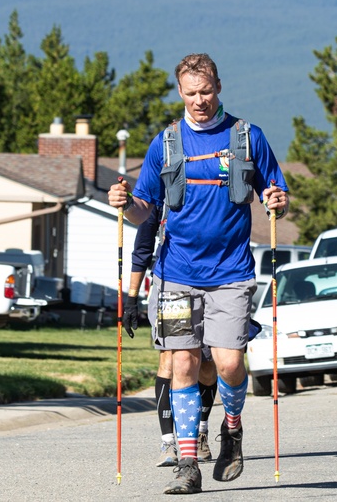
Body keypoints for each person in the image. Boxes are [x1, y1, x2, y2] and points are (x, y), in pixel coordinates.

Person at [109, 53, 289, 495]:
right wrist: (124, 202)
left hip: (230, 271)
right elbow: (144, 212)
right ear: (180, 93)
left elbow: (275, 189)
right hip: (176, 274)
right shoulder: (166, 143)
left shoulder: (247, 137)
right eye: (191, 94)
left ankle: (232, 426)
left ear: (219, 87)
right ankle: (187, 463)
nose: (199, 101)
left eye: (206, 91)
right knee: (183, 363)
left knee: (228, 363)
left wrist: (277, 201)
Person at [124, 206, 219, 466]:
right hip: (171, 285)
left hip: (214, 284)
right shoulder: (159, 200)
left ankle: (200, 431)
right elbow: (142, 248)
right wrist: (131, 299)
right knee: (170, 360)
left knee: (208, 366)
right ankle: (168, 443)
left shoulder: (211, 191)